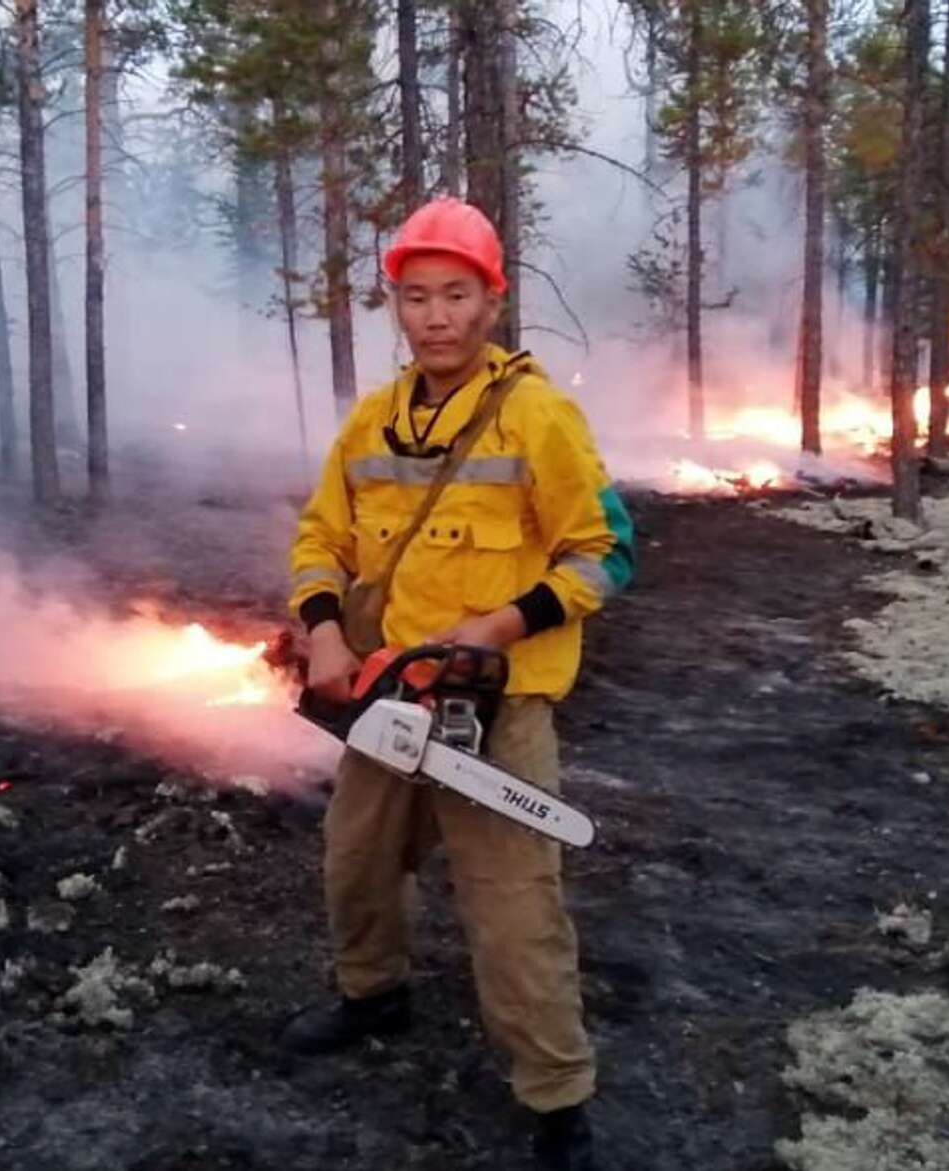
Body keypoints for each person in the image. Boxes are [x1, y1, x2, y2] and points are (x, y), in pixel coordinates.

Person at [284, 197, 635, 1171]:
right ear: (395, 306)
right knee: (353, 859)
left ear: (491, 301)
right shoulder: (371, 421)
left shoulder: (538, 415)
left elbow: (608, 552)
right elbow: (319, 539)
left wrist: (501, 624)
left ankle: (556, 1095)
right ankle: (371, 994)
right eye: (415, 298)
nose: (435, 316)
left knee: (513, 903)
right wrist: (320, 634)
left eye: (455, 295)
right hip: (391, 695)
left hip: (498, 705)